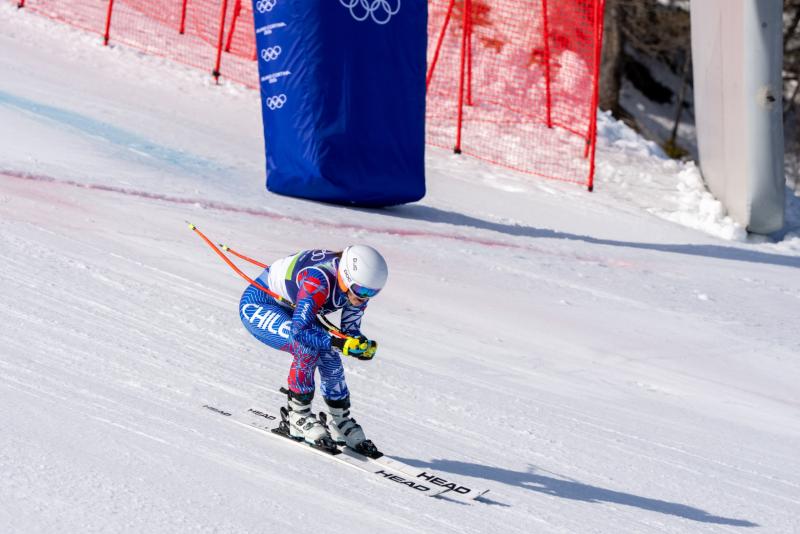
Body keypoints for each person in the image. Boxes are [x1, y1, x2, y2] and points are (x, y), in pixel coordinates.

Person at [239, 245, 387, 456]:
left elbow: (349, 331)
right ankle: (297, 416)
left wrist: (360, 345)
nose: (363, 297)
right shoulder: (317, 280)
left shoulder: (356, 287)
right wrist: (339, 343)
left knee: (330, 356)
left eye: (372, 293)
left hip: (294, 310)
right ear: (346, 276)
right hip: (260, 304)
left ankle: (339, 420)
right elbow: (300, 332)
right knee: (307, 348)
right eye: (362, 291)